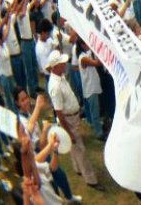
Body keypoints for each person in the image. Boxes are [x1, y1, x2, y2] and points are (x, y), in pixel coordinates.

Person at [45, 49, 104, 191]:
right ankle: (90, 179)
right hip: (68, 119)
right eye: (61, 63)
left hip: (72, 117)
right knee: (80, 149)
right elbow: (59, 112)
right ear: (54, 67)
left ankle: (77, 168)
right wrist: (68, 132)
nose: (64, 64)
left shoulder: (60, 76)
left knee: (75, 148)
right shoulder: (55, 86)